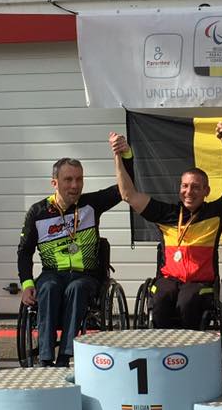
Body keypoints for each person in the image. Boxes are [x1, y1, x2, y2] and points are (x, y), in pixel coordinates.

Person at [111, 123, 222, 329]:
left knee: (187, 300)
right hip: (169, 279)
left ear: (206, 191)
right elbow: (128, 194)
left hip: (200, 284)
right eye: (185, 186)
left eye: (196, 187)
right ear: (179, 189)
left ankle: (190, 346)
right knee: (161, 297)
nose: (189, 191)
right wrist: (118, 156)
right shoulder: (166, 213)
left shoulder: (216, 212)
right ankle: (163, 344)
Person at [17, 147, 134, 367]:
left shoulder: (91, 204)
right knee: (48, 288)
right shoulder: (38, 212)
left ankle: (65, 356)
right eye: (68, 179)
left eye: (79, 179)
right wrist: (27, 284)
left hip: (86, 276)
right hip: (52, 273)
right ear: (54, 183)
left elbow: (124, 188)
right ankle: (45, 358)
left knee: (77, 288)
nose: (75, 185)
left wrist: (124, 155)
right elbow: (24, 251)